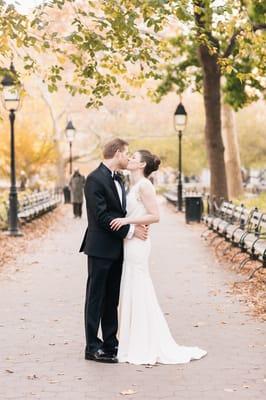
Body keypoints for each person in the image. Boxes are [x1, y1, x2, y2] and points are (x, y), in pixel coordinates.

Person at [110, 150, 207, 365]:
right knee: (131, 286)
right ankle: (130, 340)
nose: (130, 159)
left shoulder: (145, 185)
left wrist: (127, 223)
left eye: (134, 157)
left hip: (138, 244)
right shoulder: (132, 184)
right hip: (130, 241)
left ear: (142, 164)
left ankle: (143, 342)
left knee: (138, 286)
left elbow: (155, 215)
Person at [79, 138, 148, 364]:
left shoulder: (118, 178)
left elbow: (121, 210)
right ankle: (92, 346)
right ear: (117, 153)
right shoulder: (94, 179)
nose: (128, 158)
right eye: (126, 154)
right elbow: (101, 216)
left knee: (111, 299)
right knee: (95, 297)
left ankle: (111, 342)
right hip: (99, 248)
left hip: (118, 250)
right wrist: (131, 231)